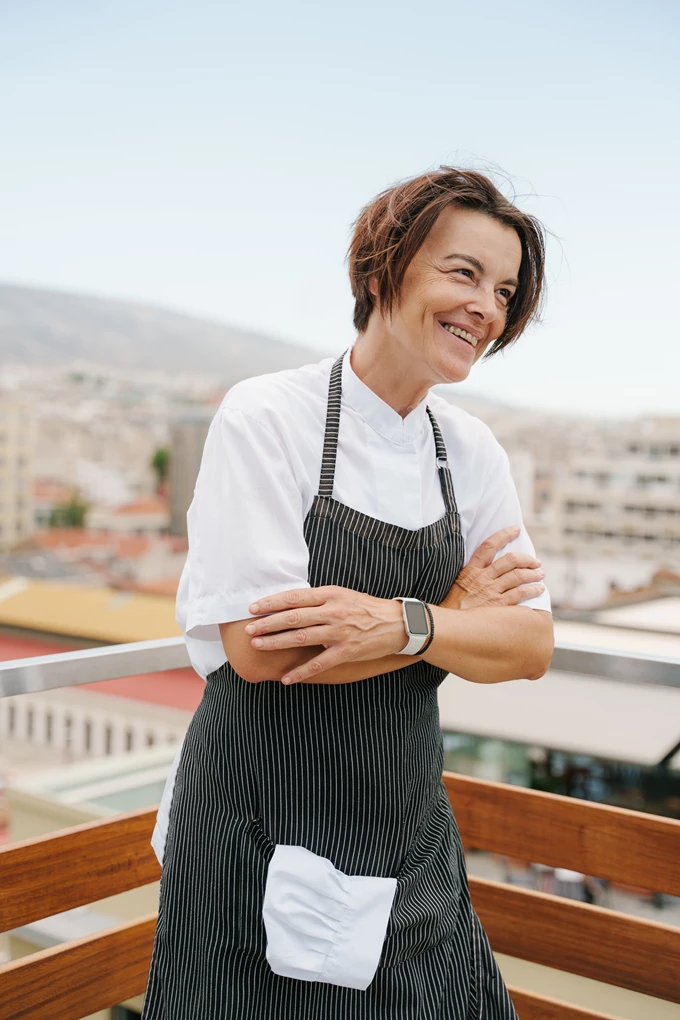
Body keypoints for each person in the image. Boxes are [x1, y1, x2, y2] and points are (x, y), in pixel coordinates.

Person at [143, 167, 554, 1020]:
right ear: (381, 271)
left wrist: (400, 622)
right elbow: (264, 649)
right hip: (257, 819)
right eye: (464, 273)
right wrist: (452, 618)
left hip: (405, 822)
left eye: (505, 289)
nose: (487, 306)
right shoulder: (269, 416)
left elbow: (528, 646)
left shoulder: (469, 452)